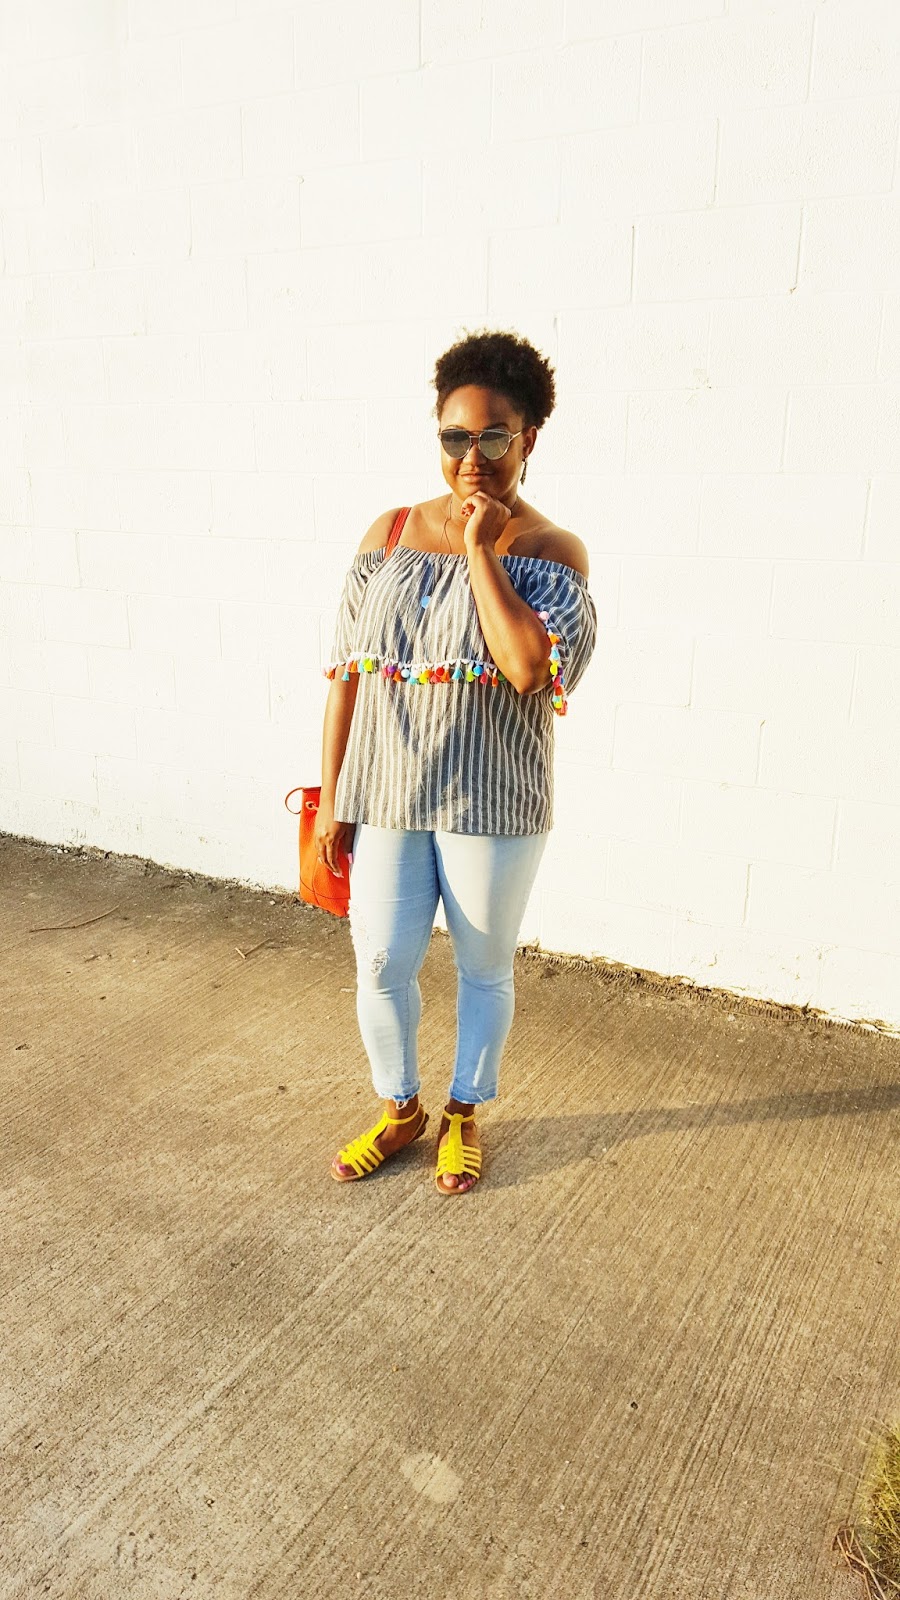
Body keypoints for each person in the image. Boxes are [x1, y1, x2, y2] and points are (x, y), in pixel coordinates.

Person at [315, 328, 598, 1195]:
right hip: (387, 795)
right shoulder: (390, 533)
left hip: (491, 802)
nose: (472, 457)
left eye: (493, 436)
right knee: (380, 962)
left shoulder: (552, 552)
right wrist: (334, 797)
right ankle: (400, 1108)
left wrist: (480, 548)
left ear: (528, 438)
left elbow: (528, 668)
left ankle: (464, 1113)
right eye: (455, 436)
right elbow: (347, 674)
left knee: (483, 968)